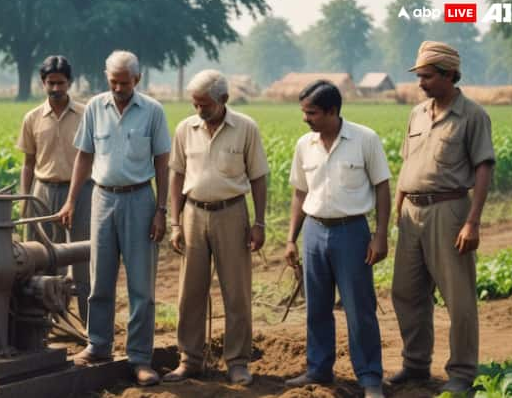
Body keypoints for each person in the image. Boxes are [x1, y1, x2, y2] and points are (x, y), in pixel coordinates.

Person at [56, 50, 171, 386]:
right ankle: (99, 345)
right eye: (113, 82)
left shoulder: (152, 111)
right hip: (102, 198)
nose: (119, 88)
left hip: (140, 199)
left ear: (137, 79)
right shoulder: (95, 107)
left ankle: (140, 358)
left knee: (141, 287)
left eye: (125, 82)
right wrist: (72, 201)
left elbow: (163, 163)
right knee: (98, 279)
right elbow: (84, 156)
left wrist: (161, 210)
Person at [388, 41, 495, 394]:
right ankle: (415, 365)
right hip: (411, 212)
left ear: (449, 76)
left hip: (449, 211)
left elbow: (483, 168)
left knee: (458, 296)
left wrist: (473, 221)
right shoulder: (417, 114)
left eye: (427, 76)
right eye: (419, 76)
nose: (421, 83)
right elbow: (408, 163)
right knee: (405, 292)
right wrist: (398, 204)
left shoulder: (473, 115)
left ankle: (462, 373)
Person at [283, 81, 391, 398]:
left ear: (332, 111)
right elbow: (300, 192)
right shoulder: (305, 144)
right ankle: (318, 369)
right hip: (314, 231)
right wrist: (291, 238)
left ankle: (370, 378)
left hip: (352, 232)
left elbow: (383, 187)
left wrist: (380, 235)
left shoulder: (364, 139)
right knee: (316, 306)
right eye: (304, 112)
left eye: (311, 112)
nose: (305, 118)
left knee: (359, 308)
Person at [163, 69, 268, 386]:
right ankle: (189, 359)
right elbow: (177, 176)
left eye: (205, 104)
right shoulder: (185, 128)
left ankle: (237, 361)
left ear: (223, 100)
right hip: (193, 213)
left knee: (236, 293)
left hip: (232, 213)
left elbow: (259, 177)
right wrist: (175, 221)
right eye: (195, 104)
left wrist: (259, 222)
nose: (199, 110)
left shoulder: (245, 128)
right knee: (189, 292)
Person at [17, 55, 91, 322]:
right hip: (43, 192)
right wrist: (25, 200)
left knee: (82, 258)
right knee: (41, 257)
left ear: (69, 82)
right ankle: (48, 323)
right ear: (43, 83)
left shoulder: (86, 115)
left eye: (61, 83)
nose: (56, 88)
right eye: (51, 83)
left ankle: (87, 323)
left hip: (81, 192)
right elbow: (28, 162)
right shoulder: (33, 118)